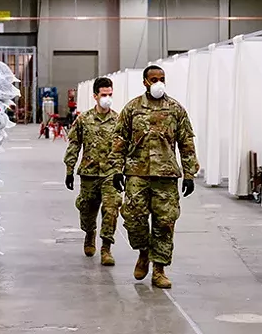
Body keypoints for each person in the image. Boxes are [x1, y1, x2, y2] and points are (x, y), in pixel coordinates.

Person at [111, 65, 199, 289]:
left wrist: (189, 173)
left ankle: (159, 269)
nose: (158, 82)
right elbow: (119, 138)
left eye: (161, 78)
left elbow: (186, 141)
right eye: (153, 79)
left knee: (165, 223)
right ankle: (143, 252)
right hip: (136, 174)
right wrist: (116, 170)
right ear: (145, 82)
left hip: (166, 175)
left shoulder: (175, 109)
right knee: (134, 219)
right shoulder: (132, 108)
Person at [64, 77, 122, 266]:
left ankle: (106, 248)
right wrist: (69, 169)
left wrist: (124, 171)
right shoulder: (84, 119)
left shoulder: (118, 120)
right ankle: (90, 233)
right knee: (87, 209)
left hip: (111, 173)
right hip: (89, 173)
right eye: (104, 95)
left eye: (110, 94)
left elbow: (125, 147)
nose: (107, 98)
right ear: (95, 96)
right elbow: (74, 144)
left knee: (111, 208)